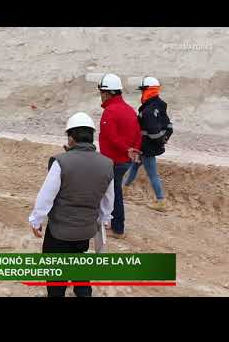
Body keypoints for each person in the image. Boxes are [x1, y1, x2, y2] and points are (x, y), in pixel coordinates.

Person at [28, 112, 114, 298]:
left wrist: (36, 220)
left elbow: (46, 196)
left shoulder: (61, 162)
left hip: (59, 232)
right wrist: (105, 218)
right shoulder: (107, 164)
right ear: (91, 137)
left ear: (71, 138)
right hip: (85, 231)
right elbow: (108, 199)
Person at [97, 74, 141, 239]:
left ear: (108, 93)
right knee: (114, 191)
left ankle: (117, 227)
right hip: (125, 161)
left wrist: (126, 149)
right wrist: (133, 151)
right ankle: (111, 222)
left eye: (102, 92)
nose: (101, 96)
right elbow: (138, 134)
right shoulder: (130, 110)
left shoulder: (110, 111)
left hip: (113, 161)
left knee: (112, 193)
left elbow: (111, 137)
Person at [124, 77, 173, 212]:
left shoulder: (149, 109)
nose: (141, 93)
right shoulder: (159, 105)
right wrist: (164, 138)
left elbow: (152, 131)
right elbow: (168, 125)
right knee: (134, 167)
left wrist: (159, 140)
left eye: (143, 90)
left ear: (148, 90)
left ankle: (160, 201)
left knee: (152, 174)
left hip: (147, 147)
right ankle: (124, 189)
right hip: (144, 146)